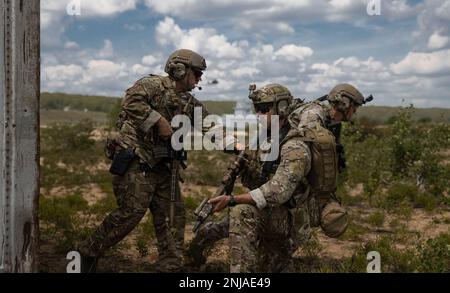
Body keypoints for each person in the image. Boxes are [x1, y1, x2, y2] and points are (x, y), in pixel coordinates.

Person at [203, 83, 370, 272]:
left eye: (264, 110)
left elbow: (278, 191)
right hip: (279, 210)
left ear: (280, 109)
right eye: (257, 110)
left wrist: (232, 199)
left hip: (291, 215)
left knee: (240, 213)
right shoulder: (288, 130)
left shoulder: (299, 141)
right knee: (268, 261)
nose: (258, 115)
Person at [78, 49, 215, 273]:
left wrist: (235, 146)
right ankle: (87, 252)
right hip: (137, 162)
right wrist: (158, 120)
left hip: (165, 167)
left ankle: (169, 264)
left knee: (173, 215)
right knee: (130, 213)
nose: (199, 79)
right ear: (180, 70)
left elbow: (211, 126)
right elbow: (131, 101)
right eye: (197, 73)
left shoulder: (189, 103)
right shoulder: (152, 86)